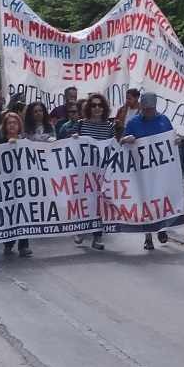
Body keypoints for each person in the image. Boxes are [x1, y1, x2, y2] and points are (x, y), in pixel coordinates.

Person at [122, 88, 173, 249]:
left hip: (160, 171)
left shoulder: (164, 120)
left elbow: (171, 139)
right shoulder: (133, 123)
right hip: (141, 172)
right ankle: (148, 236)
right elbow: (122, 142)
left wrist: (175, 141)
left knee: (161, 200)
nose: (148, 112)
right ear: (141, 107)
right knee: (145, 203)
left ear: (155, 107)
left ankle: (162, 228)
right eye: (145, 109)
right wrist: (127, 139)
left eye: (151, 109)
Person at [71, 91, 115, 250]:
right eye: (94, 105)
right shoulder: (81, 124)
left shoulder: (109, 126)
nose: (97, 108)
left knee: (99, 204)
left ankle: (97, 237)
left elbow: (113, 146)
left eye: (100, 105)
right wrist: (74, 139)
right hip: (84, 171)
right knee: (84, 201)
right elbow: (72, 146)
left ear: (104, 108)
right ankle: (80, 229)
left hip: (102, 171)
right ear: (89, 107)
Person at [0, 108, 34, 259]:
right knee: (9, 214)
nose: (12, 125)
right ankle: (9, 242)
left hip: (22, 184)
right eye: (9, 123)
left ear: (19, 126)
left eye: (15, 123)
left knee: (23, 213)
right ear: (4, 126)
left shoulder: (26, 142)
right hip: (5, 185)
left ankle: (24, 245)